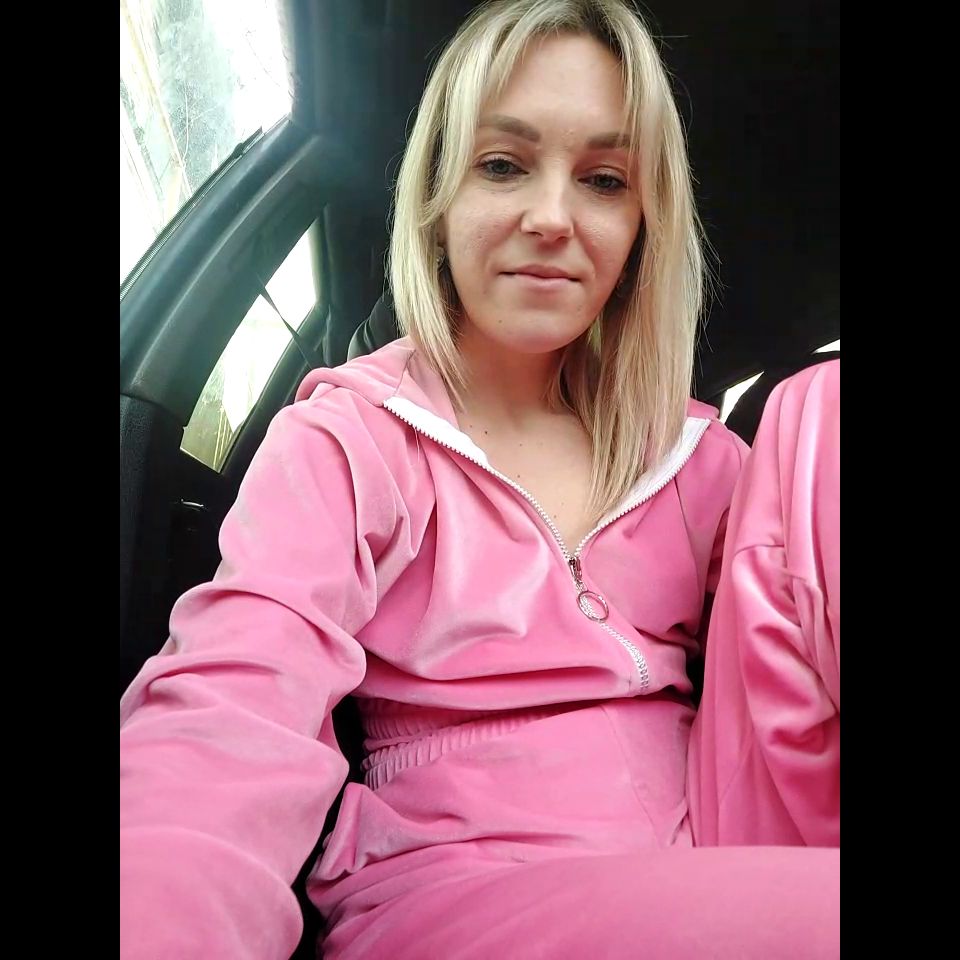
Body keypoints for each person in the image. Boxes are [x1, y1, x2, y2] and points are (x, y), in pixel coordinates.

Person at [120, 2, 839, 957]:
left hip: (727, 844)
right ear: (438, 195)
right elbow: (234, 705)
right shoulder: (350, 440)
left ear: (641, 225)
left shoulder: (701, 459)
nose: (552, 218)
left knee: (823, 408)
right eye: (503, 165)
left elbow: (791, 651)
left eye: (604, 180)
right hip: (465, 890)